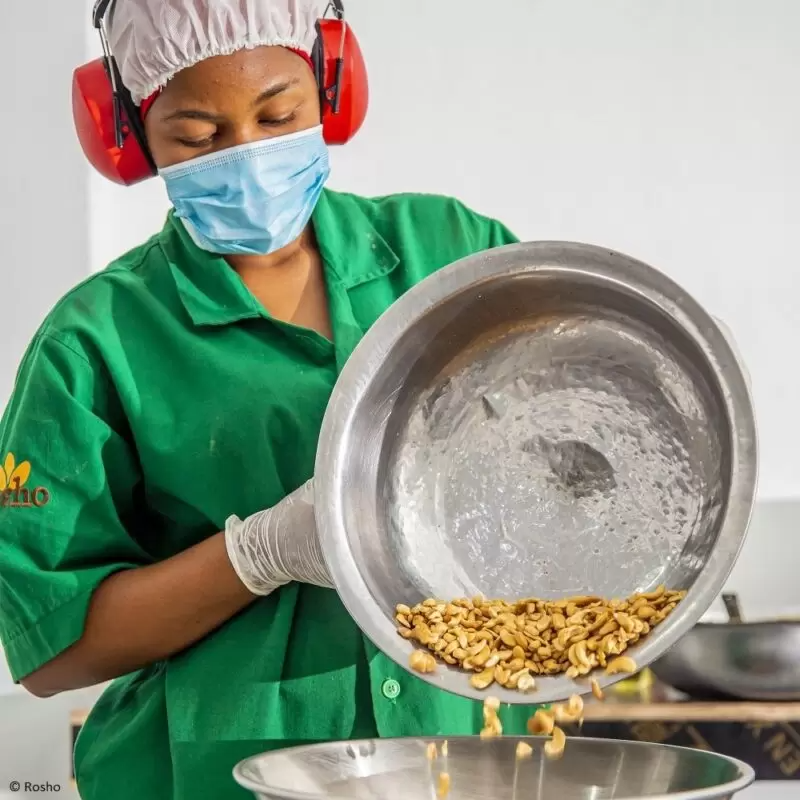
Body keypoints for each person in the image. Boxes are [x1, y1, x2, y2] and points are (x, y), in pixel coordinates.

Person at [0, 2, 538, 798]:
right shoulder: (96, 339)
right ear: (128, 138)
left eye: (280, 112)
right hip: (216, 775)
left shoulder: (452, 253)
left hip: (461, 761)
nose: (248, 154)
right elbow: (51, 651)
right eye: (198, 136)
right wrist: (259, 555)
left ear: (331, 90)